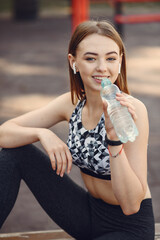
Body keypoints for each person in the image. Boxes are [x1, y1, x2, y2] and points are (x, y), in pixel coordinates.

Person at [0, 20, 155, 240]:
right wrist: (42, 134)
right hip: (88, 214)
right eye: (91, 58)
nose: (102, 67)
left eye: (110, 58)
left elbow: (130, 205)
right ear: (74, 62)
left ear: (120, 61)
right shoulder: (71, 104)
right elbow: (4, 133)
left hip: (129, 227)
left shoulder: (132, 111)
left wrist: (113, 140)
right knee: (15, 154)